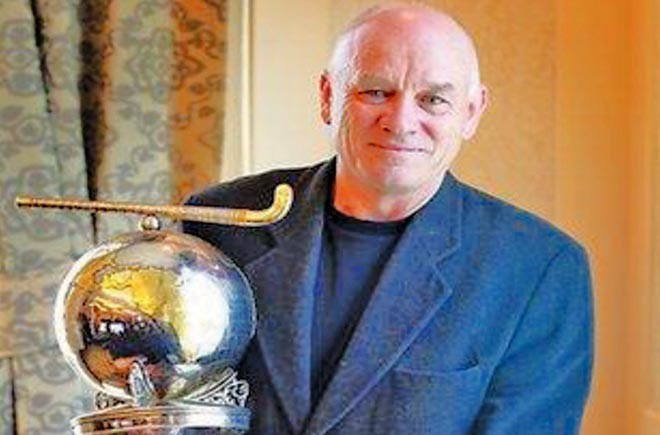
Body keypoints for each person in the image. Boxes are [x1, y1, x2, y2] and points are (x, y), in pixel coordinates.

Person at [183, 3, 593, 434]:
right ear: (328, 97)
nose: (400, 122)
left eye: (433, 100)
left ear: (472, 112)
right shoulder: (220, 223)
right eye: (376, 92)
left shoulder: (540, 269)